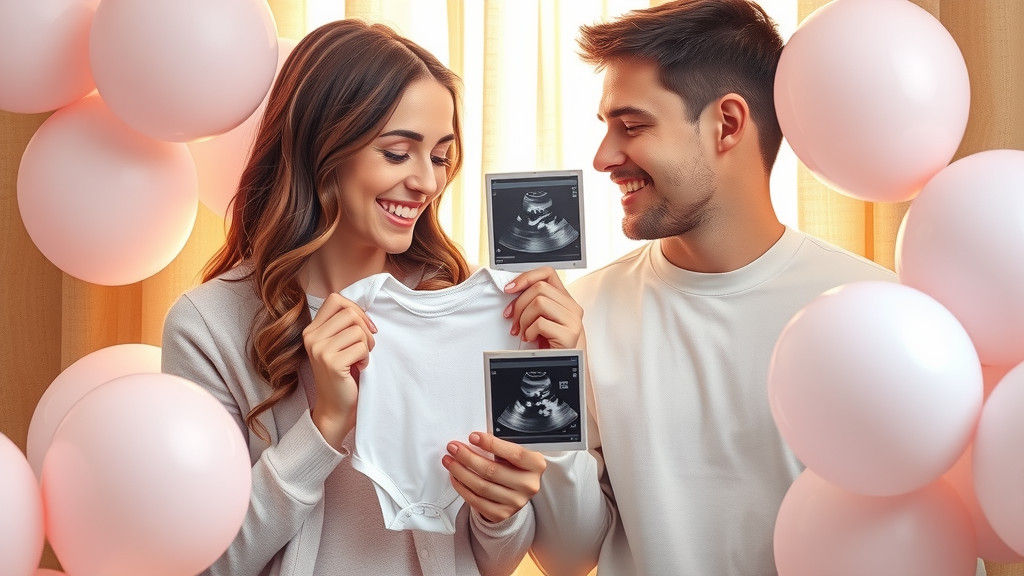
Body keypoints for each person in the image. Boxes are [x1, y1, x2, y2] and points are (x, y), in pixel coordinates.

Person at [162, 19, 581, 576]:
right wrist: (325, 424)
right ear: (323, 152)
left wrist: (501, 513)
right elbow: (206, 561)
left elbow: (495, 559)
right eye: (397, 152)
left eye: (438, 157)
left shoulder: (465, 305)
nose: (427, 184)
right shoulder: (208, 325)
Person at [528, 1, 908, 575]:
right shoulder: (577, 316)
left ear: (727, 124)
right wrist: (557, 388)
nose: (603, 158)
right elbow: (566, 556)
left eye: (631, 126)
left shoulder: (877, 311)